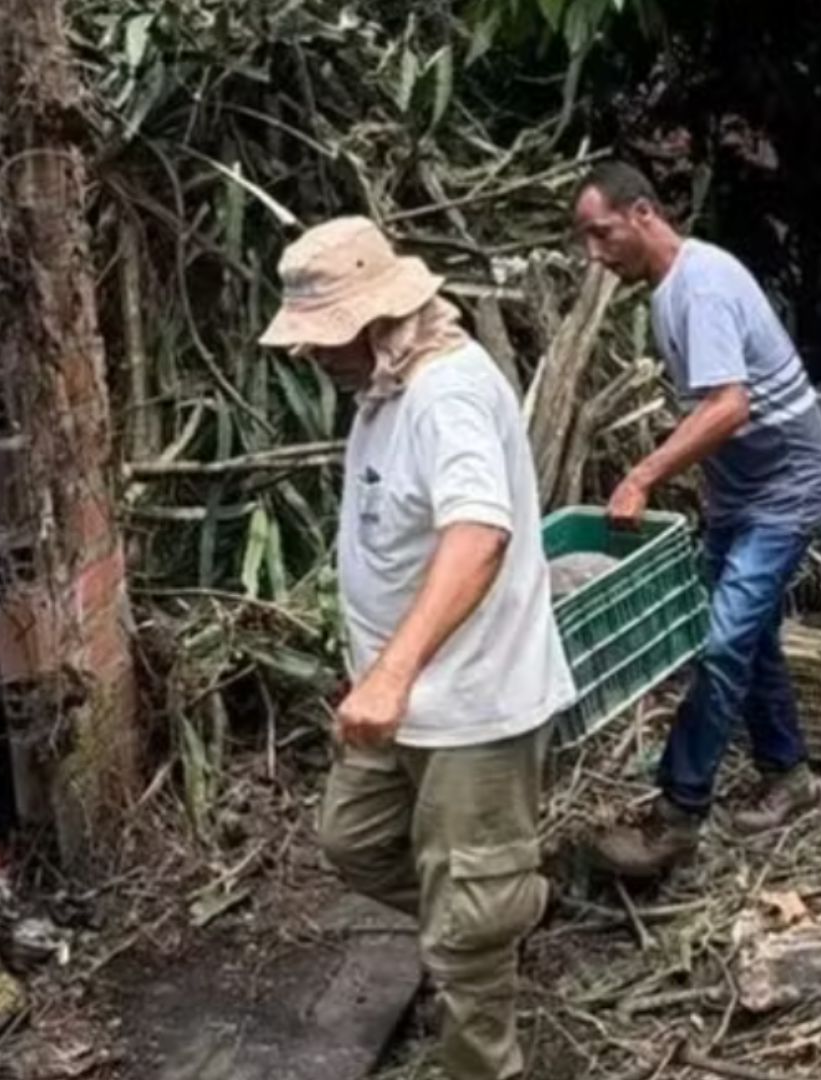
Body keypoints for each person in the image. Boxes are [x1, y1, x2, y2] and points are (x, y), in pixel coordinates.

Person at [260, 217, 575, 1080]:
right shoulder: (386, 390)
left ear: (374, 321)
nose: (309, 356)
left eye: (323, 337)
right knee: (355, 840)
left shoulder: (446, 394)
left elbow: (478, 535)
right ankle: (501, 910)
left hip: (470, 705)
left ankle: (484, 1049)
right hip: (403, 701)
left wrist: (392, 672)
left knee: (465, 934)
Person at [571, 162, 821, 878]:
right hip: (742, 494)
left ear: (644, 214)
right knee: (745, 641)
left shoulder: (703, 288)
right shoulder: (668, 292)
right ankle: (790, 778)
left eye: (602, 234)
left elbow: (729, 407)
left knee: (722, 646)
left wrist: (641, 475)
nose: (595, 253)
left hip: (786, 489)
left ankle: (676, 816)